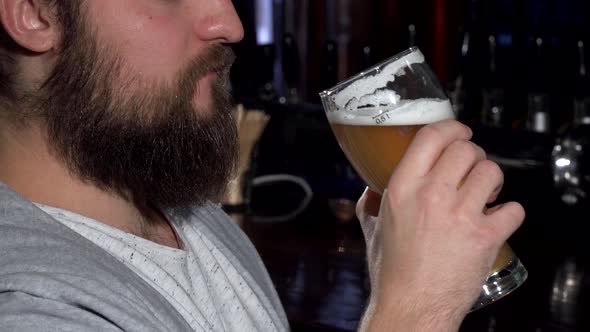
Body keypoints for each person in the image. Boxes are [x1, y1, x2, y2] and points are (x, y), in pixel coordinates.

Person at [0, 0, 524, 331]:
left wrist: (398, 279)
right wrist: (416, 312)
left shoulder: (192, 218)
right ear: (35, 13)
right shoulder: (26, 308)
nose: (228, 22)